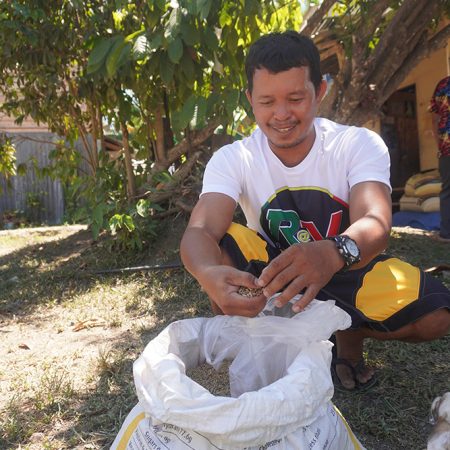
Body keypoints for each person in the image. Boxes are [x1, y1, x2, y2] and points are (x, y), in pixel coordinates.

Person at [180, 31, 450, 390]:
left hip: (347, 262)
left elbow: (377, 223)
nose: (281, 114)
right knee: (222, 241)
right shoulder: (234, 157)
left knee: (437, 316)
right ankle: (268, 347)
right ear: (249, 100)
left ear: (319, 91)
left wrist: (333, 252)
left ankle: (347, 341)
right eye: (266, 101)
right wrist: (208, 275)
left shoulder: (356, 143)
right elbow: (200, 230)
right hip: (274, 273)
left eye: (295, 98)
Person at [430, 75, 450, 242]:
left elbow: (435, 118)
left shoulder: (443, 84)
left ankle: (446, 233)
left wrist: (439, 143)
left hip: (447, 145)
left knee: (447, 190)